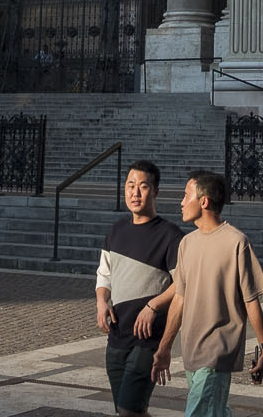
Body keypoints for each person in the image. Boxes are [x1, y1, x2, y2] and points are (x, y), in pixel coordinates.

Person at [150, 171, 263, 417]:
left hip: (217, 351)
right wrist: (164, 348)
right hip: (192, 350)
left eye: (186, 196)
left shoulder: (237, 242)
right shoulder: (187, 244)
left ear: (203, 201)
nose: (181, 202)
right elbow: (180, 299)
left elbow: (251, 299)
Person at [96, 161, 182, 417]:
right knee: (128, 411)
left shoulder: (171, 236)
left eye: (143, 187)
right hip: (117, 336)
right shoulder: (116, 231)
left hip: (148, 340)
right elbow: (104, 275)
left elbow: (183, 284)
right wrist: (102, 301)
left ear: (155, 191)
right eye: (130, 186)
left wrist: (153, 306)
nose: (135, 193)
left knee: (128, 410)